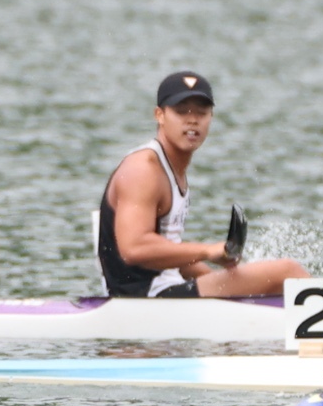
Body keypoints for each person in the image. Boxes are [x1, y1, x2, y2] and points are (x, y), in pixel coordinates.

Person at [97, 71, 307, 299]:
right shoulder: (143, 169)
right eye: (181, 111)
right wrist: (206, 251)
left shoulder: (173, 167)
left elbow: (168, 254)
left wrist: (219, 276)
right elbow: (134, 248)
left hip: (161, 291)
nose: (192, 120)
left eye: (201, 112)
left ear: (211, 117)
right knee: (287, 272)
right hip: (141, 298)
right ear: (159, 115)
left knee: (266, 285)